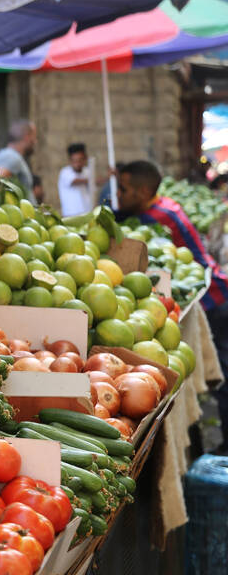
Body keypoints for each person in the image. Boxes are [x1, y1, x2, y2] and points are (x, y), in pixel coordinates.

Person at [116, 160, 228, 451]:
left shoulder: (154, 219)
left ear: (142, 191)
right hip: (216, 287)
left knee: (226, 380)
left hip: (214, 299)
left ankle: (223, 446)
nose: (118, 194)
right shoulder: (165, 205)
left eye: (123, 188)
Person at [0, 120, 37, 202]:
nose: (35, 141)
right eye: (34, 136)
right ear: (27, 137)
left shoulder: (2, 154)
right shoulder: (13, 157)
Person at [57, 143, 95, 217]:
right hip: (70, 216)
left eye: (80, 160)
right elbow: (76, 181)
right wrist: (94, 179)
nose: (77, 164)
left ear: (85, 159)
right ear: (70, 160)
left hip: (87, 214)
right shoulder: (65, 172)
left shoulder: (87, 172)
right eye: (75, 161)